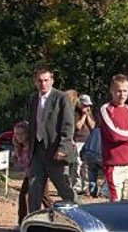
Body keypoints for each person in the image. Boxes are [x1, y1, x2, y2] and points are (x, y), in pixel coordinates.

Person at [25, 68, 77, 210]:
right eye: (40, 81)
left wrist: (63, 147)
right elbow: (31, 124)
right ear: (35, 82)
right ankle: (34, 224)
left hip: (55, 150)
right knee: (34, 189)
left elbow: (68, 124)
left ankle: (79, 219)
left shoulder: (61, 98)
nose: (43, 84)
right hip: (37, 150)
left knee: (64, 189)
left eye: (46, 80)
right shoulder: (33, 99)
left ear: (52, 81)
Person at [99, 74, 128, 201]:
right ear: (111, 91)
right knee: (115, 203)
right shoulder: (106, 109)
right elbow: (114, 134)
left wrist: (124, 136)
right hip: (115, 166)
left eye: (125, 90)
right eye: (118, 91)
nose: (122, 94)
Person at [73, 94, 96, 193]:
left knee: (86, 166)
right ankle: (77, 186)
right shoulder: (75, 113)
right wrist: (83, 116)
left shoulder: (89, 113)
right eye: (85, 105)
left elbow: (93, 127)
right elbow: (77, 126)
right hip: (77, 141)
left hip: (87, 142)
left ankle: (86, 187)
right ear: (80, 104)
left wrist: (87, 116)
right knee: (77, 164)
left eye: (89, 105)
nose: (87, 107)